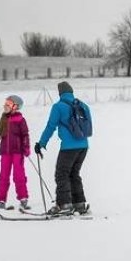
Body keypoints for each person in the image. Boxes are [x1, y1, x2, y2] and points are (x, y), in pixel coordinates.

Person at [34, 82, 91, 215]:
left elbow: (50, 126)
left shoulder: (58, 106)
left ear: (60, 93)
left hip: (68, 147)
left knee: (62, 174)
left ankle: (64, 205)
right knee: (74, 174)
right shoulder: (83, 105)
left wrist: (41, 143)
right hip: (84, 146)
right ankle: (79, 204)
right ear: (71, 91)